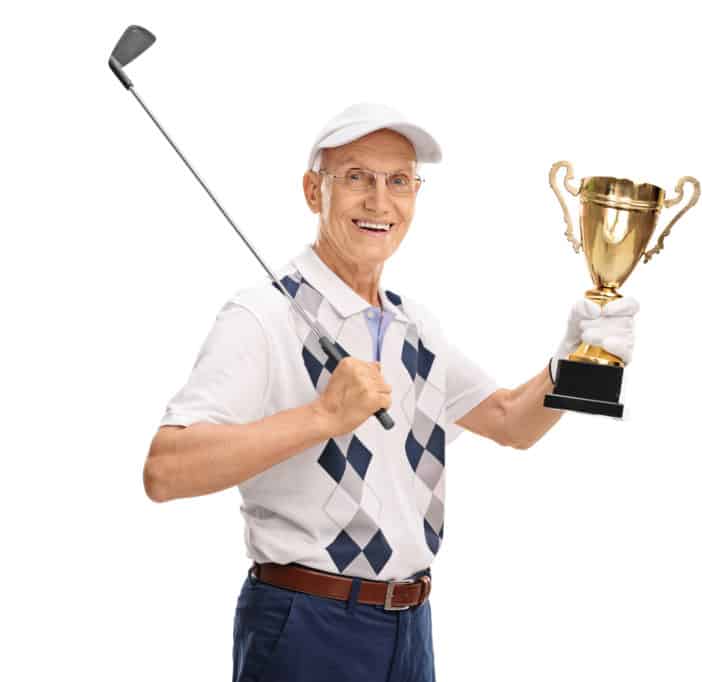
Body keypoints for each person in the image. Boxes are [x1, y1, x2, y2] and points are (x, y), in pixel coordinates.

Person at [143, 102, 638, 682]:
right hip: (307, 624)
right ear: (312, 190)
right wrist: (323, 416)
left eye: (398, 181)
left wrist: (576, 359)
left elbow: (511, 422)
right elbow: (164, 471)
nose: (380, 201)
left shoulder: (415, 327)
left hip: (411, 626)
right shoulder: (261, 316)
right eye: (356, 178)